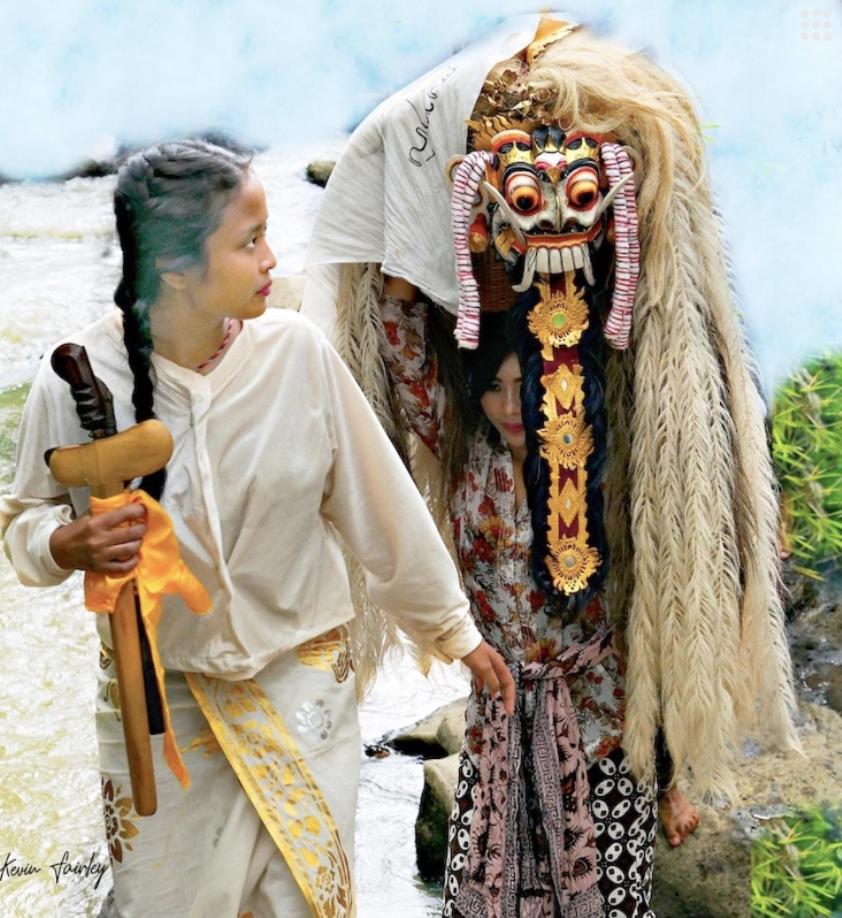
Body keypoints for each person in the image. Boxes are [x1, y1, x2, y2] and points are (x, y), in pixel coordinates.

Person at [301, 14, 798, 917]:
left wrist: (669, 780)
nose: (507, 404)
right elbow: (406, 354)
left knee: (609, 901)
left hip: (602, 733)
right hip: (497, 731)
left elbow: (657, 611)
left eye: (521, 389)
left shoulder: (607, 471)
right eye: (492, 389)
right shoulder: (468, 458)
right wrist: (401, 262)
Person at [0, 138, 514, 918]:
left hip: (300, 684)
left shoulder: (296, 354)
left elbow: (383, 511)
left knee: (301, 902)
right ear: (176, 269)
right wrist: (65, 544)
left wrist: (456, 634)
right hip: (159, 703)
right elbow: (23, 527)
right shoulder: (78, 378)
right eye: (249, 242)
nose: (273, 259)